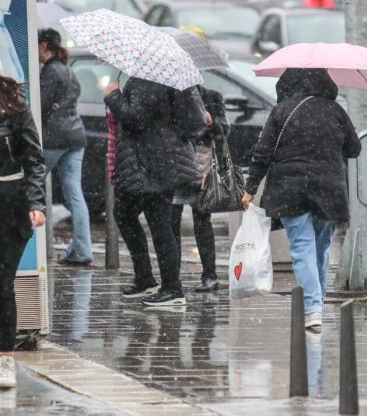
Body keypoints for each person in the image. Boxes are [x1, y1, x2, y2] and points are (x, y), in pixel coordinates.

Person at [241, 69, 361, 329]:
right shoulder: (335, 110)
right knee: (320, 248)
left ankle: (313, 307)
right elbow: (355, 149)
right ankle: (316, 304)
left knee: (302, 248)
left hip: (290, 188)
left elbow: (262, 152)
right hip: (329, 190)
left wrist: (250, 187)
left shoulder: (281, 111)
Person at [104, 77, 207, 307]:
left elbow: (136, 120)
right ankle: (149, 279)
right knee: (129, 215)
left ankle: (170, 288)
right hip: (156, 161)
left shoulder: (148, 81)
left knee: (156, 223)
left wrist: (113, 97)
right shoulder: (169, 78)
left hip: (150, 162)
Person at [0, 75, 46, 388]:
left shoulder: (15, 109)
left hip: (10, 204)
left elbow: (34, 159)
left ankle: (5, 359)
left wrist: (37, 203)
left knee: (2, 282)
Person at [38, 28, 93, 265]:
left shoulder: (50, 72)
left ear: (43, 46)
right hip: (75, 137)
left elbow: (40, 106)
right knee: (75, 194)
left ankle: (28, 244)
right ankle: (82, 250)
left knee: (31, 184)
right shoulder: (69, 71)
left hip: (55, 138)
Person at [171, 85, 230, 293]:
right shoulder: (169, 94)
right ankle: (171, 277)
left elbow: (223, 132)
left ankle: (210, 275)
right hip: (174, 164)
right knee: (171, 223)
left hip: (201, 168)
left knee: (202, 220)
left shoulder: (211, 95)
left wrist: (211, 123)